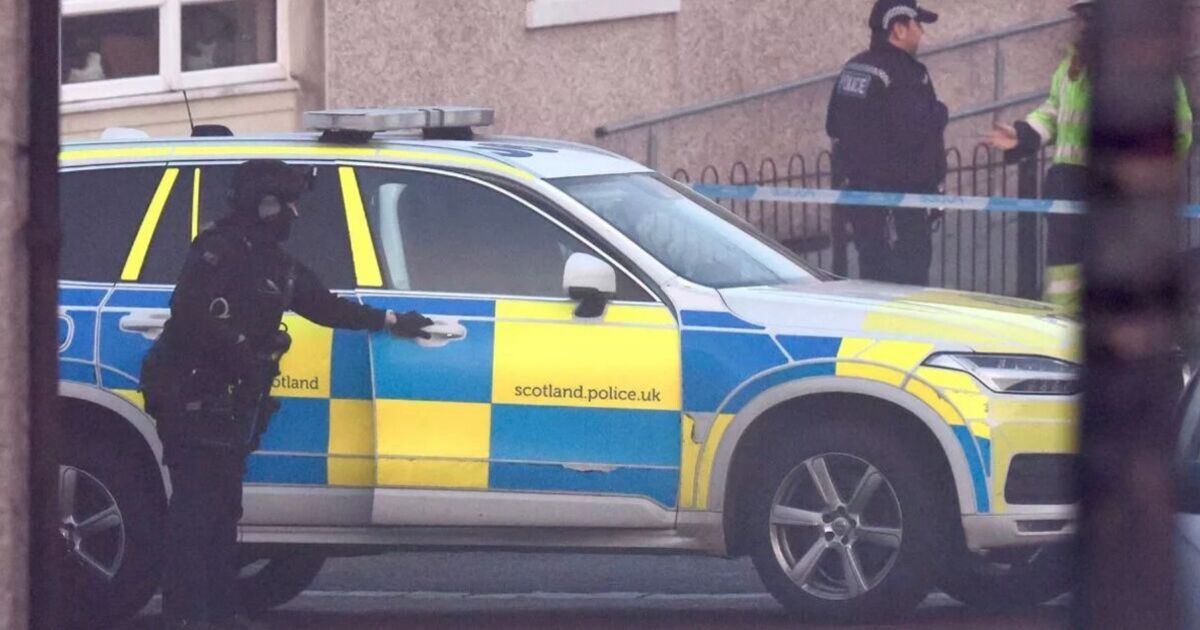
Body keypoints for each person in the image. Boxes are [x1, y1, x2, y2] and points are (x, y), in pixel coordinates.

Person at [141, 159, 434, 629]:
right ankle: (185, 616)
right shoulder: (218, 251)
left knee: (221, 512)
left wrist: (392, 320)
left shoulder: (277, 265)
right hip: (192, 396)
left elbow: (323, 306)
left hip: (232, 404)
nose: (294, 215)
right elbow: (190, 311)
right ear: (265, 203)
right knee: (196, 513)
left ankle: (217, 612)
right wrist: (238, 349)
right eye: (288, 204)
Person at [985, 0, 1194, 313]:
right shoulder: (1072, 66)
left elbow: (1178, 127)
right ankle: (1060, 331)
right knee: (1065, 272)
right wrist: (1024, 135)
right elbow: (1055, 110)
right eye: (1082, 18)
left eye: (1092, 17)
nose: (1083, 25)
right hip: (1069, 182)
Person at [826, 0, 948, 286]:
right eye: (917, 24)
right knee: (911, 279)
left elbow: (833, 125)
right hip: (902, 198)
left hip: (860, 195)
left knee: (872, 272)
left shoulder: (853, 68)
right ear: (898, 28)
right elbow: (915, 128)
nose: (921, 32)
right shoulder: (906, 73)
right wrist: (941, 112)